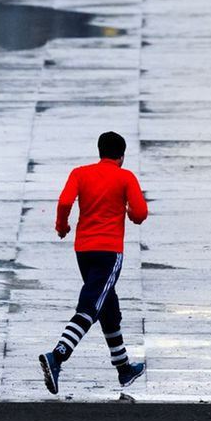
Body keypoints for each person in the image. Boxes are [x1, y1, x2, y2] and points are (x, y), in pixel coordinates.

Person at [38, 131, 148, 395]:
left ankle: (123, 369)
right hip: (109, 252)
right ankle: (57, 356)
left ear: (99, 151)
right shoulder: (125, 176)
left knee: (108, 307)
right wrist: (131, 214)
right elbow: (140, 213)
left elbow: (65, 201)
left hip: (83, 251)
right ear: (121, 156)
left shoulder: (80, 173)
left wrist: (62, 226)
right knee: (90, 306)